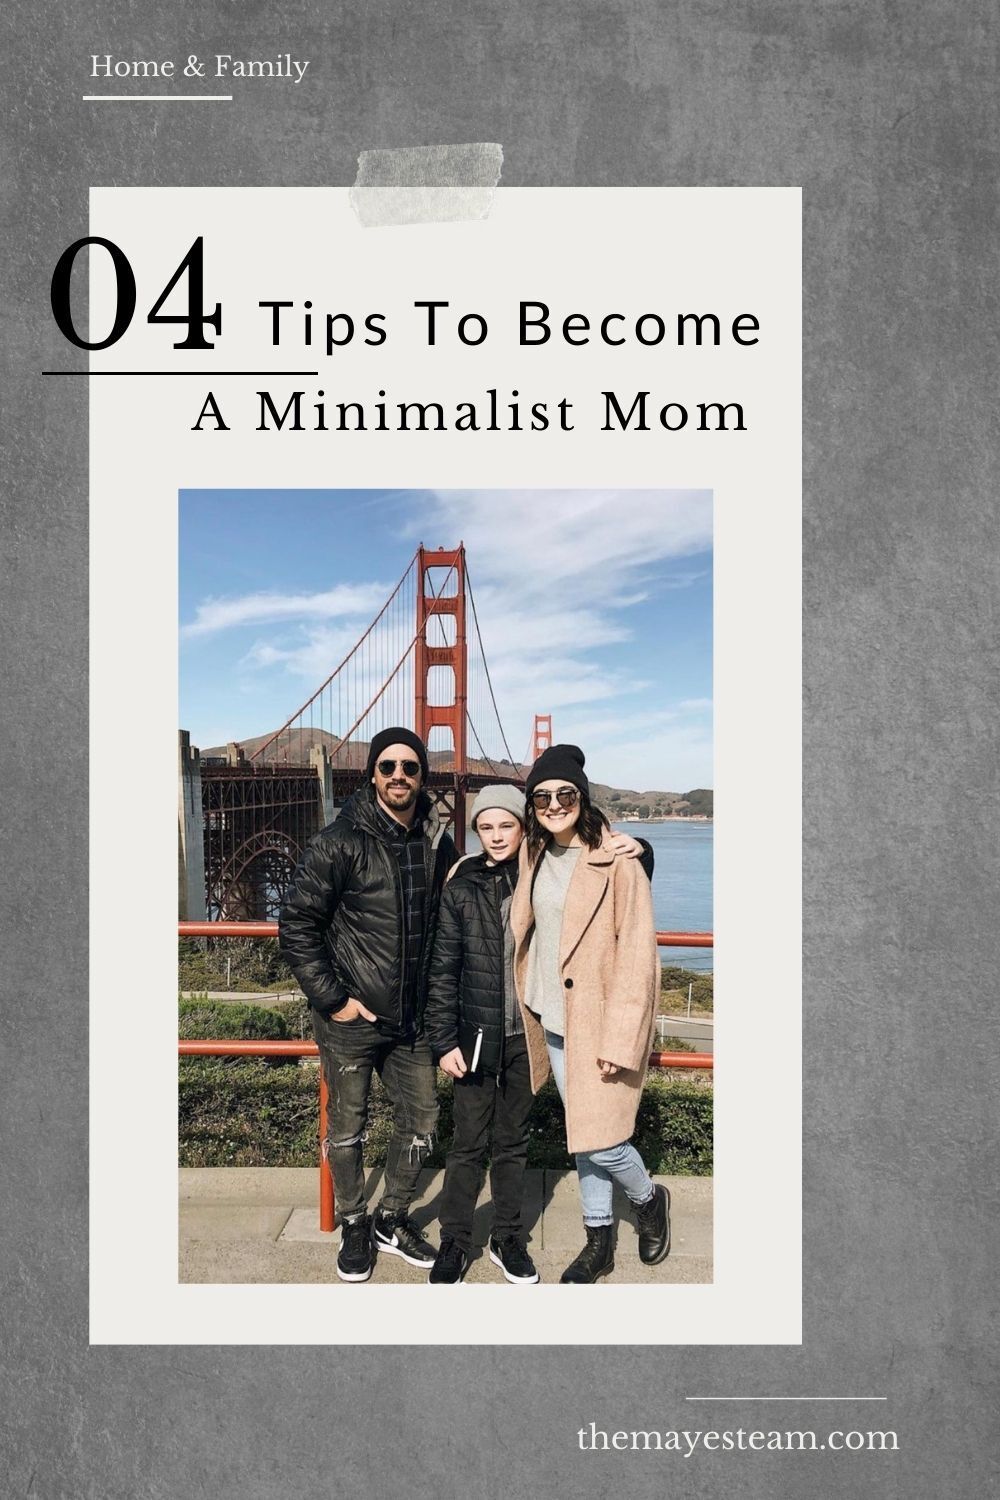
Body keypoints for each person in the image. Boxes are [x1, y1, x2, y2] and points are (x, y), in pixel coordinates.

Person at [425, 784, 654, 1285]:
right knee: (466, 1145)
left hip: (527, 1035)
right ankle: (455, 1242)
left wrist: (642, 846)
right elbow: (442, 968)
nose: (496, 835)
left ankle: (508, 1238)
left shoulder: (539, 867)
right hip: (475, 1035)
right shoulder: (463, 881)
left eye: (506, 824)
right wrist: (443, 1040)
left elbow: (602, 875)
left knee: (513, 1143)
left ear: (523, 826)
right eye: (485, 826)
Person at [278, 728, 457, 1283]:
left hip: (414, 1019)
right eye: (388, 766)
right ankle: (355, 1221)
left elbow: (495, 877)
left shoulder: (438, 838)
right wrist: (334, 1000)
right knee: (348, 1126)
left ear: (422, 775)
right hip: (353, 1019)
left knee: (424, 1120)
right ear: (372, 774)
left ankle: (392, 1216)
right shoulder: (338, 841)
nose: (399, 775)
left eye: (410, 766)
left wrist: (628, 849)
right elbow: (297, 925)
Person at [511, 744, 671, 1284]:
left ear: (583, 797)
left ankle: (649, 1199)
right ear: (532, 807)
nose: (554, 804)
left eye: (565, 794)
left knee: (601, 1135)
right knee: (583, 1130)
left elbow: (638, 961)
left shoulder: (619, 861)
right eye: (542, 797)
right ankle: (598, 1238)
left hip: (598, 1022)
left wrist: (621, 1040)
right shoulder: (532, 854)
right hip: (550, 1015)